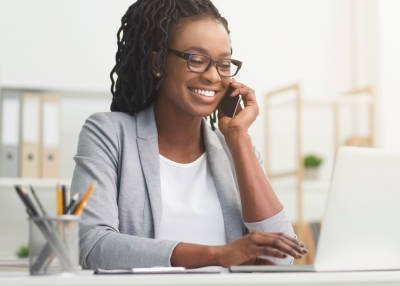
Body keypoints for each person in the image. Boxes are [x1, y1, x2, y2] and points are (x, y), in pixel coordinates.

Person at [71, 0, 308, 270]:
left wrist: (238, 137)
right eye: (197, 60)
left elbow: (282, 258)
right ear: (158, 62)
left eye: (224, 63)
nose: (213, 76)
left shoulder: (235, 149)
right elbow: (92, 244)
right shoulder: (110, 135)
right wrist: (218, 255)